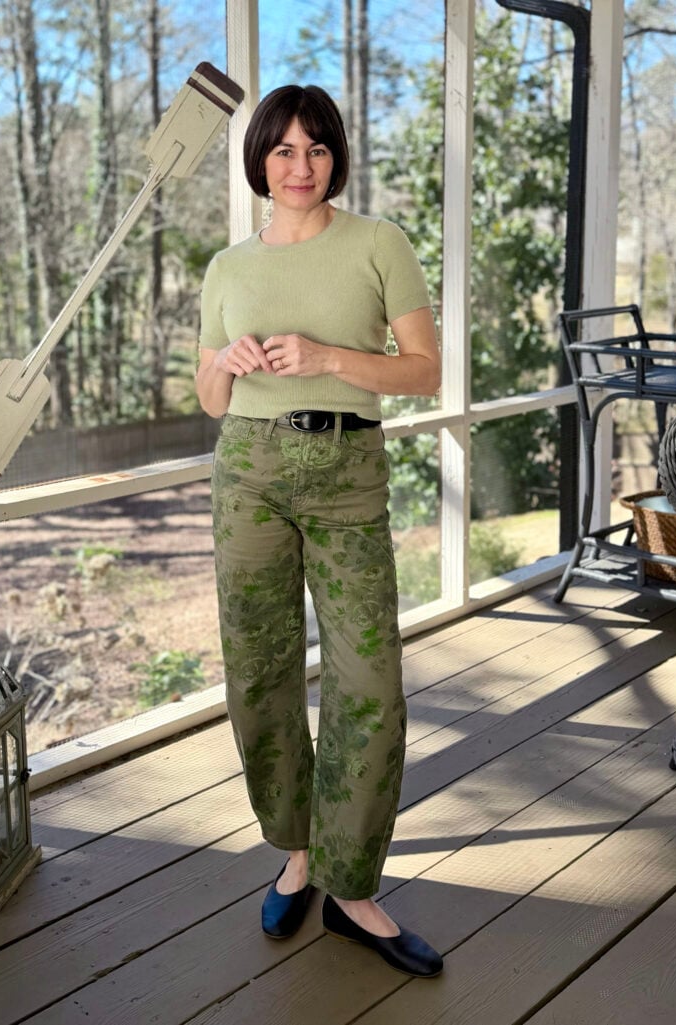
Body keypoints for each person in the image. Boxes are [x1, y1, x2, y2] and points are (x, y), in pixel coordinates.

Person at [195, 84, 443, 978]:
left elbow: (423, 371)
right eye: (282, 150)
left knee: (368, 675)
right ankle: (295, 851)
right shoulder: (227, 267)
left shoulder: (380, 244)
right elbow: (208, 397)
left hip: (346, 469)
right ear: (259, 159)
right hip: (248, 470)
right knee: (258, 669)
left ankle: (351, 884)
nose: (299, 167)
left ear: (336, 156)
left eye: (316, 149)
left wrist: (329, 356)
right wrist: (226, 363)